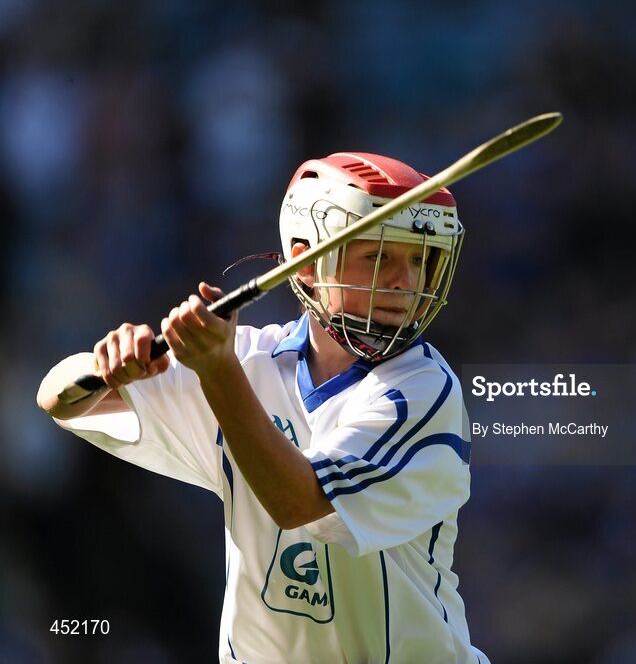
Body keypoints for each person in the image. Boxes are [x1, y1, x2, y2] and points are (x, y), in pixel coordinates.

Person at [37, 152, 489, 664]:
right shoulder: (246, 359)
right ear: (308, 259)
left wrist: (215, 370)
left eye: (420, 260)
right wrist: (109, 364)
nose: (405, 283)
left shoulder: (423, 391)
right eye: (380, 257)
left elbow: (297, 503)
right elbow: (60, 402)